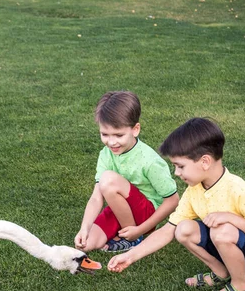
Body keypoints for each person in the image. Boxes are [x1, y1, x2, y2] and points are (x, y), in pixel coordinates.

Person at [107, 117, 245, 291]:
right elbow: (168, 230)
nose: (176, 173)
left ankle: (242, 290)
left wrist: (230, 218)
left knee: (221, 229)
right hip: (228, 244)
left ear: (205, 162)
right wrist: (130, 255)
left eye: (180, 166)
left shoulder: (239, 190)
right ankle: (221, 272)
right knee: (183, 229)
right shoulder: (194, 191)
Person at [74, 91, 179, 253]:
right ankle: (124, 231)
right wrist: (84, 228)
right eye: (105, 134)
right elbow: (96, 197)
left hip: (146, 214)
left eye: (118, 135)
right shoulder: (106, 154)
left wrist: (141, 229)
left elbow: (172, 200)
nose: (111, 142)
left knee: (107, 180)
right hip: (121, 209)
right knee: (85, 244)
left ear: (135, 129)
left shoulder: (149, 160)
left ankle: (134, 238)